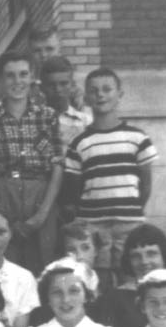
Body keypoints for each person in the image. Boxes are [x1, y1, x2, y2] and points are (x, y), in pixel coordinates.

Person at [0, 51, 65, 276]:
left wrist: (43, 213)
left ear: (32, 77)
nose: (17, 82)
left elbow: (57, 166)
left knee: (43, 264)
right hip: (3, 195)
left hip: (40, 195)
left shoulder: (47, 116)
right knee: (6, 264)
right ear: (1, 81)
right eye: (10, 76)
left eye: (23, 74)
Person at [62, 68, 158, 278]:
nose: (100, 95)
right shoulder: (80, 143)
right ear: (86, 97)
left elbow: (146, 185)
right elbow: (75, 189)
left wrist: (130, 209)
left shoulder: (137, 138)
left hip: (129, 222)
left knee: (131, 275)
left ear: (119, 94)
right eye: (94, 90)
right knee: (98, 277)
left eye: (107, 89)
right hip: (93, 224)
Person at [95, 223, 166, 327]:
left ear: (164, 255)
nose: (144, 262)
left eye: (151, 254)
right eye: (136, 256)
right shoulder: (114, 299)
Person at [39, 56, 91, 149]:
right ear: (42, 87)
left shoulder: (86, 122)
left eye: (63, 84)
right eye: (51, 85)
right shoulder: (33, 122)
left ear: (72, 84)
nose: (58, 89)